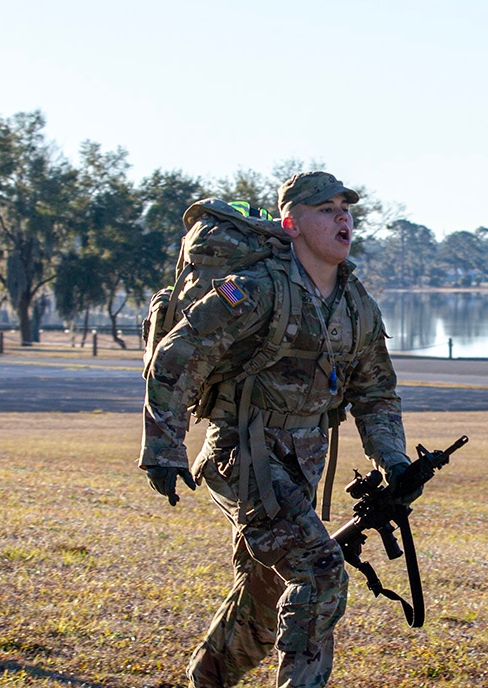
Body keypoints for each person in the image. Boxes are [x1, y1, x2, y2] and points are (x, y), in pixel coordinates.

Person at [139, 171, 412, 687]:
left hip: (302, 461)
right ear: (291, 224)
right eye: (325, 209)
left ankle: (208, 679)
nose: (342, 217)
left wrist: (393, 460)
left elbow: (375, 392)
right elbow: (177, 357)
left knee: (265, 597)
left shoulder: (357, 305)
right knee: (320, 570)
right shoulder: (255, 291)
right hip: (241, 454)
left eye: (344, 208)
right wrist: (163, 447)